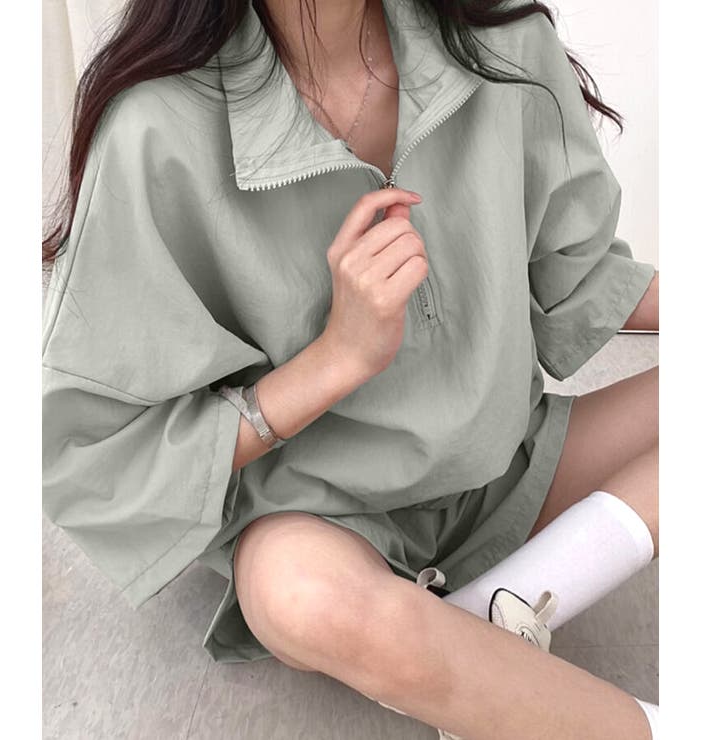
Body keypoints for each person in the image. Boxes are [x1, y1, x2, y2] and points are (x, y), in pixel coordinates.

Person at [41, 0, 660, 738]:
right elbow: (103, 453)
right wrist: (337, 358)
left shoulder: (505, 45)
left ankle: (491, 616)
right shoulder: (156, 128)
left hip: (509, 471)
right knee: (299, 599)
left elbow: (580, 281)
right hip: (319, 521)